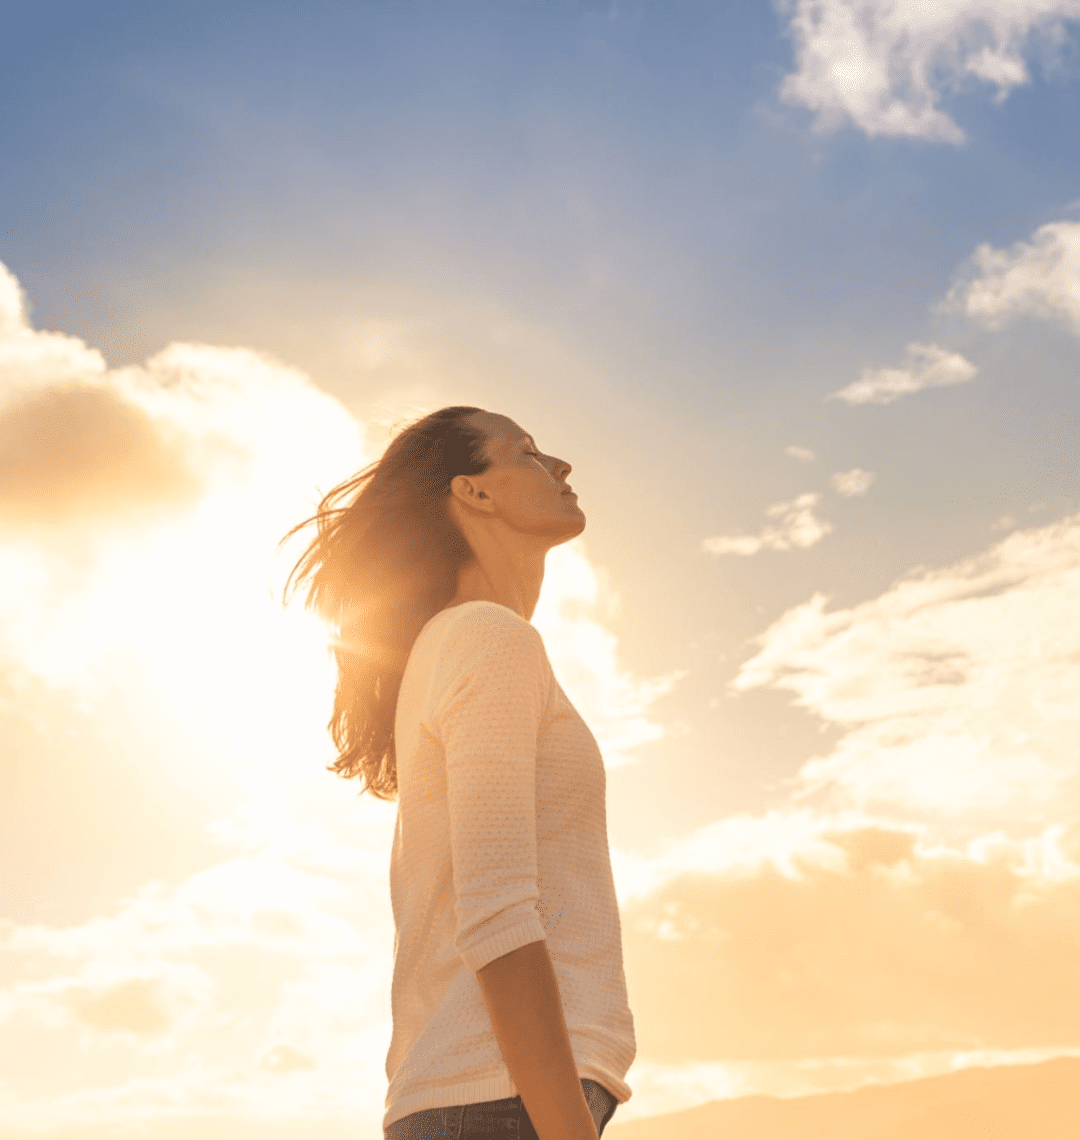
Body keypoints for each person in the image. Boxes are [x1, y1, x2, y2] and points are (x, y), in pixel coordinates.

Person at [281, 406, 636, 1140]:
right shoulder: (485, 637)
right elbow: (498, 911)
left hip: (485, 1101)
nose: (562, 467)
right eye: (530, 453)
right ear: (473, 492)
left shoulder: (456, 645)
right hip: (501, 1104)